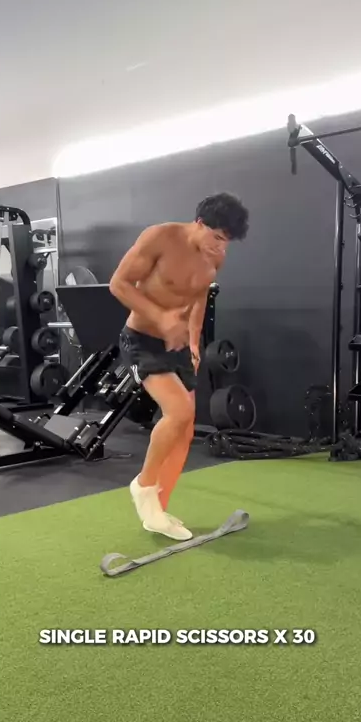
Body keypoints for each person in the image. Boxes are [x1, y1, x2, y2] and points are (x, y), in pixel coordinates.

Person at [109, 192, 249, 541]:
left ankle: (157, 509)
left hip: (178, 345)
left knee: (184, 429)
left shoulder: (215, 257)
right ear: (199, 223)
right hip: (142, 340)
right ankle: (143, 486)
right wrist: (161, 317)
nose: (220, 247)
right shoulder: (160, 237)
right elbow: (118, 284)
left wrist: (194, 341)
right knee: (179, 411)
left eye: (227, 242)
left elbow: (199, 296)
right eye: (216, 237)